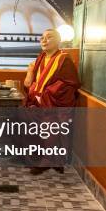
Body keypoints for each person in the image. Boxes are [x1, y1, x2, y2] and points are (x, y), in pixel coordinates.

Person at [23, 28, 80, 174]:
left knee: (50, 122)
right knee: (23, 116)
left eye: (49, 37)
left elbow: (69, 84)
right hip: (39, 102)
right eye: (42, 37)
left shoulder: (64, 59)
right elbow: (30, 83)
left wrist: (46, 94)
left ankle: (49, 160)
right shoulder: (40, 58)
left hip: (54, 102)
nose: (44, 40)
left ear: (59, 41)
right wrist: (35, 87)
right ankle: (41, 157)